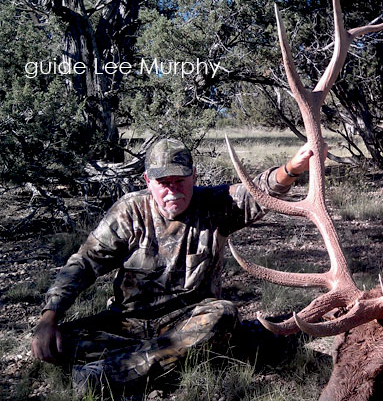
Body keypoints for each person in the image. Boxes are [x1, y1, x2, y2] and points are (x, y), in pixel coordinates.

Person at [30, 138, 318, 395]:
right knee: (58, 340)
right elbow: (84, 263)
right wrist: (49, 317)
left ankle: (113, 373)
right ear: (147, 180)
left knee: (222, 315)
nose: (172, 191)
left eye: (180, 181)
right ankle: (168, 363)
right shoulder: (129, 211)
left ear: (194, 176)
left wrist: (292, 168)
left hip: (189, 320)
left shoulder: (215, 205)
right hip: (128, 324)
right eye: (163, 183)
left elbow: (256, 193)